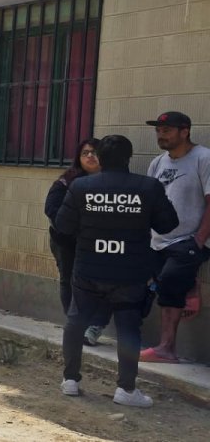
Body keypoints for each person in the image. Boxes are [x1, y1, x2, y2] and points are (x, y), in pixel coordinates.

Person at [54, 135, 178, 408]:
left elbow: (62, 226)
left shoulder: (81, 187)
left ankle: (70, 380)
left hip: (88, 269)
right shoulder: (148, 187)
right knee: (128, 328)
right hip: (129, 273)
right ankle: (126, 389)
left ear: (99, 158)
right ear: (128, 158)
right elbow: (168, 224)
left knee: (76, 322)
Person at [140, 111, 210, 363]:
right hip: (158, 241)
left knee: (169, 283)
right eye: (158, 131)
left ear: (185, 131)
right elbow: (150, 203)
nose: (161, 135)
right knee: (158, 284)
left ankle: (166, 348)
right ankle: (191, 286)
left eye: (167, 130)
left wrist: (199, 240)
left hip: (188, 240)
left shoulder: (203, 158)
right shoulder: (157, 163)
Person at [44, 138, 111, 345]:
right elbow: (51, 209)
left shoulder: (114, 182)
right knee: (69, 280)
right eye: (85, 153)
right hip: (67, 242)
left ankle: (95, 326)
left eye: (95, 152)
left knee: (106, 283)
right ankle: (76, 324)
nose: (90, 156)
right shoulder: (66, 181)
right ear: (78, 158)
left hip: (101, 244)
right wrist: (76, 229)